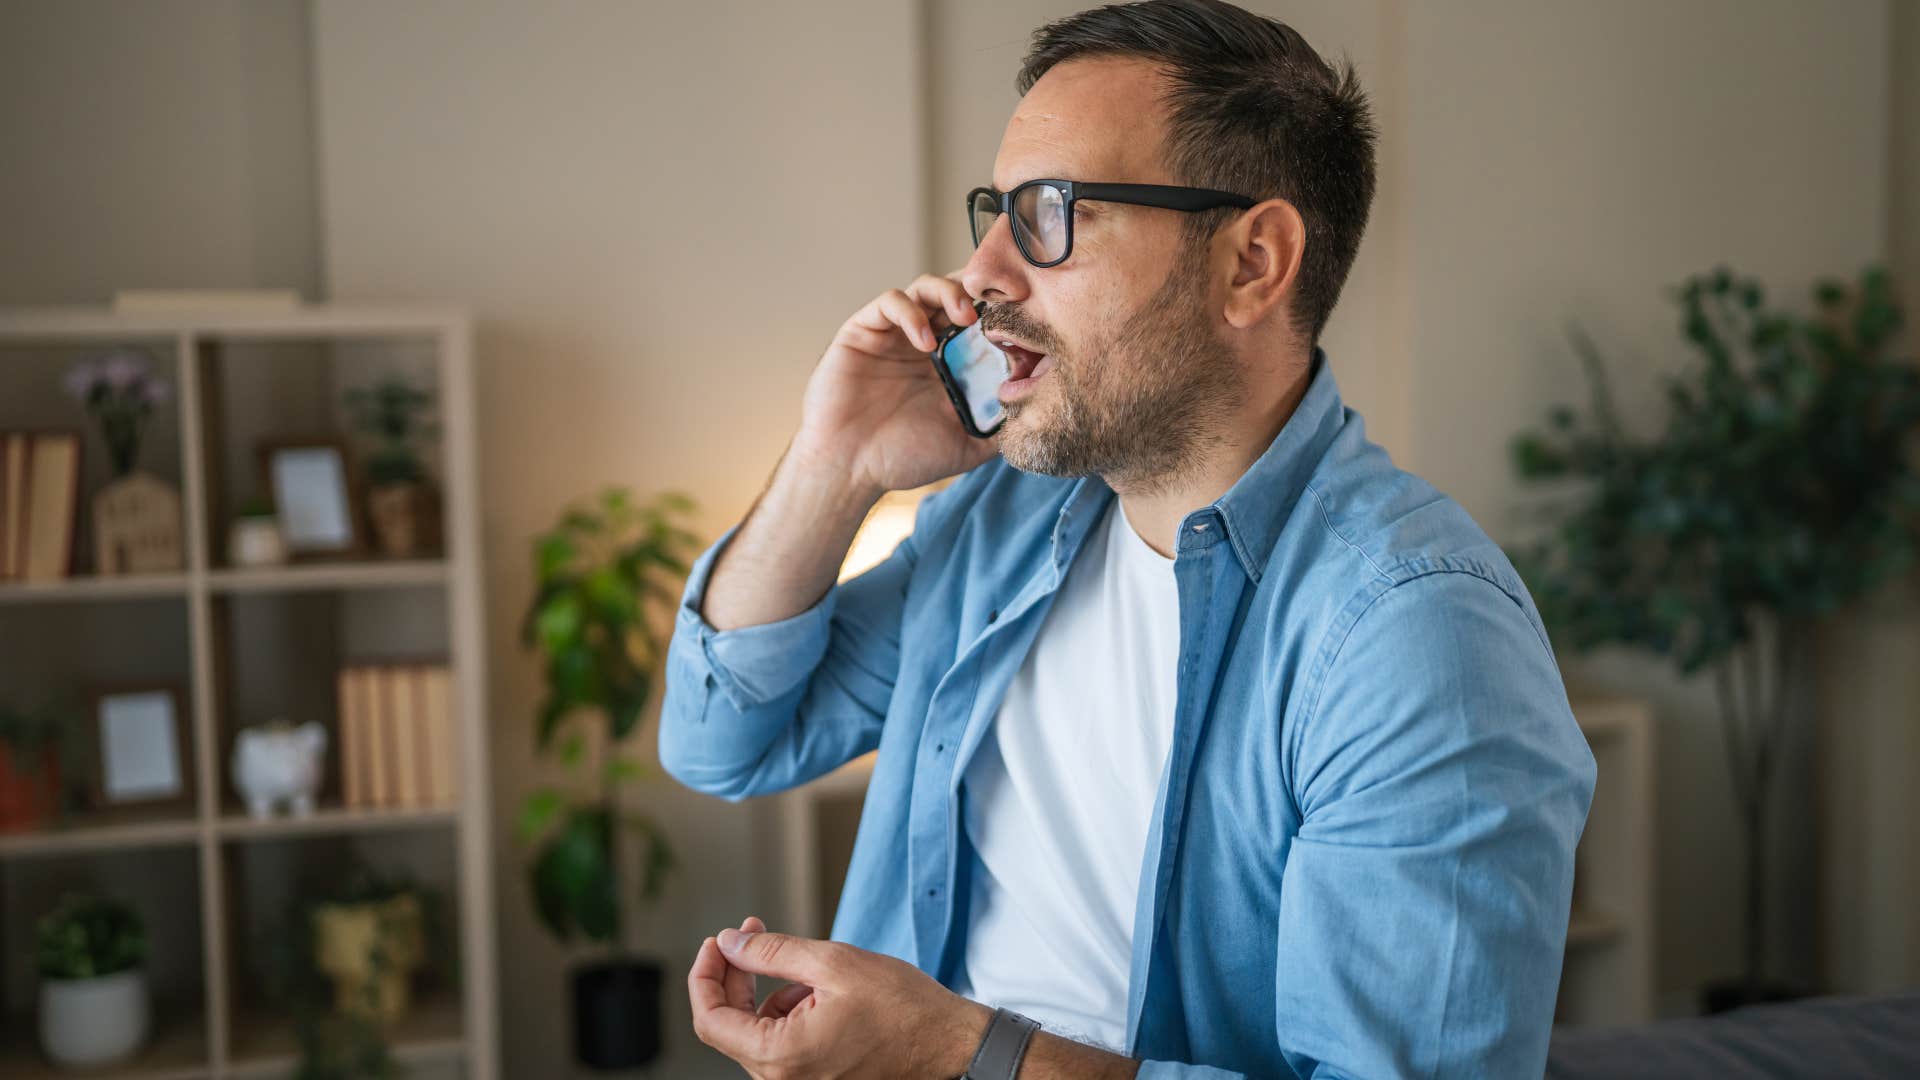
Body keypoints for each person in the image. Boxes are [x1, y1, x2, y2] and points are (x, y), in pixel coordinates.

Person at [659, 1, 1596, 1076]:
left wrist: (956, 1055)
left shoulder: (1419, 638)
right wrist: (837, 466)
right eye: (994, 211)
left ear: (1253, 261)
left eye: (1050, 212)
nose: (981, 277)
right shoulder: (1003, 518)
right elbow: (720, 741)